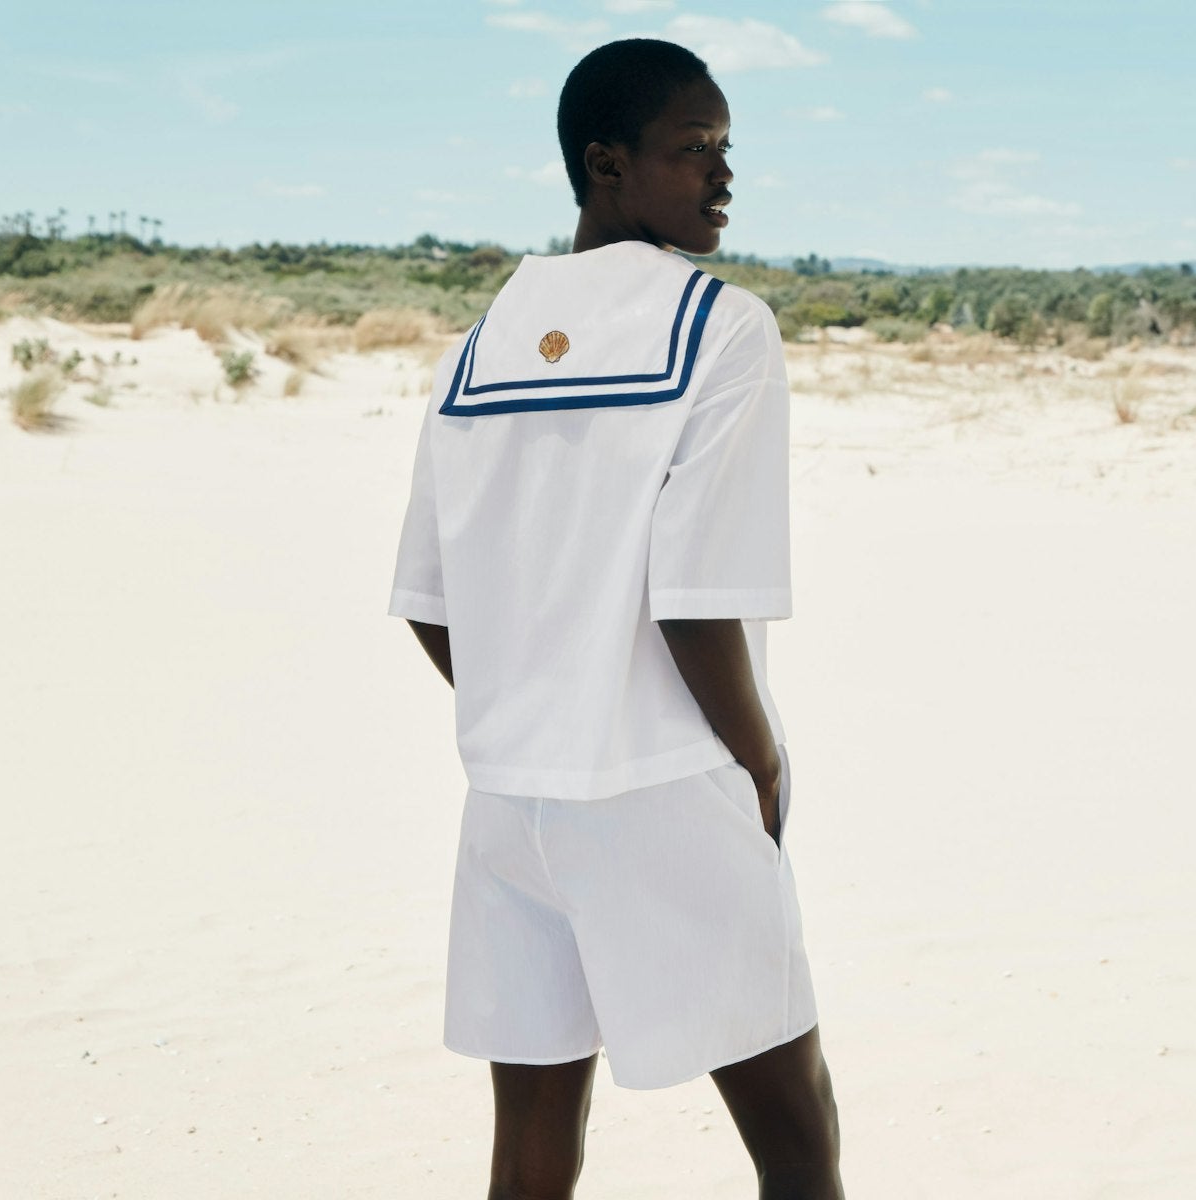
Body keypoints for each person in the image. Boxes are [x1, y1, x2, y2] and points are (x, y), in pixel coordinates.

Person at [386, 38, 845, 1200]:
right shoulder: (720, 327)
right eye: (693, 150)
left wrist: (541, 699)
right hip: (661, 784)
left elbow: (432, 604)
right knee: (796, 1135)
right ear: (605, 165)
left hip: (508, 799)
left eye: (727, 150)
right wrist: (758, 762)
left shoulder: (483, 341)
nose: (723, 176)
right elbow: (696, 603)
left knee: (534, 1142)